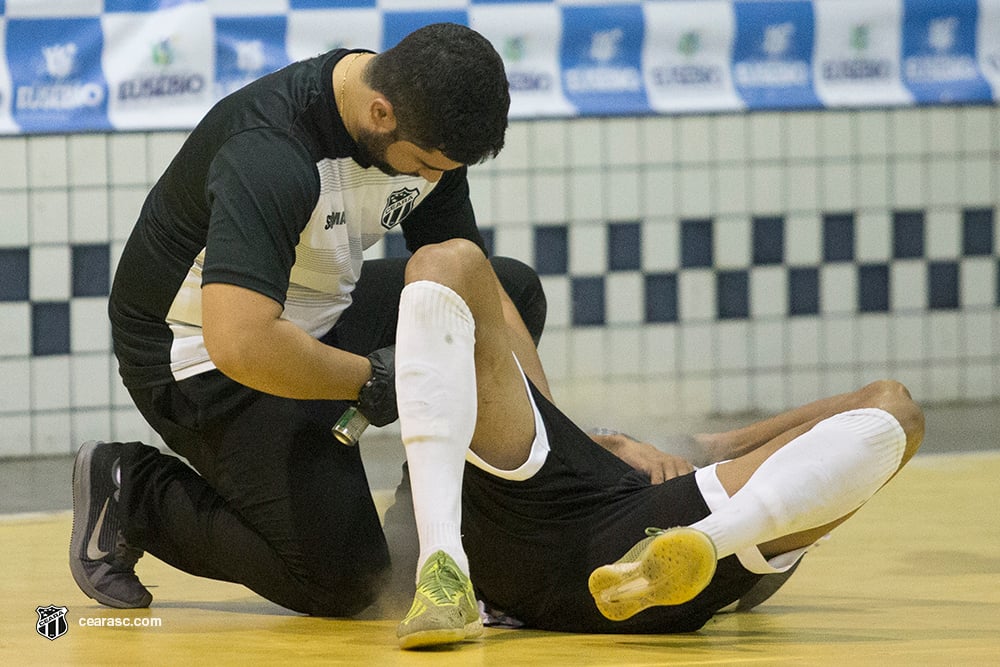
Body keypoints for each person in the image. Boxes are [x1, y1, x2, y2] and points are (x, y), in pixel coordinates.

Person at [69, 23, 546, 621]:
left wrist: (551, 449)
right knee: (346, 583)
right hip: (201, 361)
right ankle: (134, 491)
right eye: (425, 165)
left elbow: (479, 290)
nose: (430, 180)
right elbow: (241, 342)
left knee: (511, 294)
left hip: (317, 317)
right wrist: (374, 380)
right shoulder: (270, 152)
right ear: (381, 112)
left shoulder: (423, 131)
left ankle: (424, 527)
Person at [385, 237, 924, 649]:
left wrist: (615, 442)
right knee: (893, 406)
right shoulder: (729, 488)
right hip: (666, 545)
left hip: (535, 528)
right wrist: (619, 442)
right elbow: (722, 450)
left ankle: (441, 571)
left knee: (449, 262)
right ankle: (708, 541)